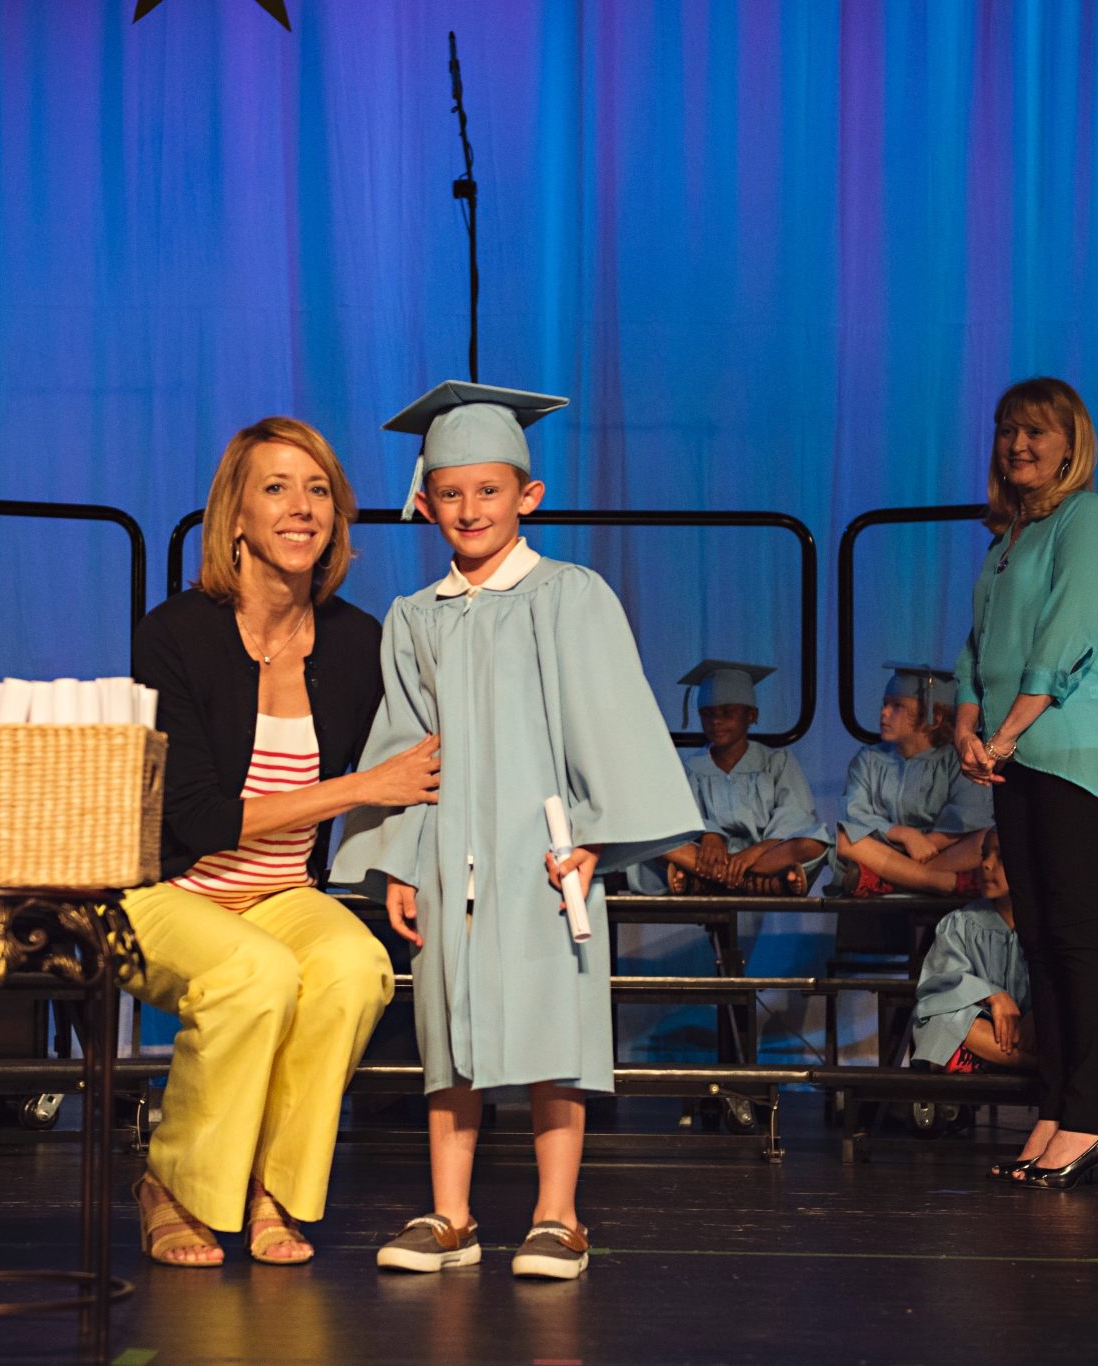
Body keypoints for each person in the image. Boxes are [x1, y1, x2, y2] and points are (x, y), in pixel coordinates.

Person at [334, 381, 702, 1279]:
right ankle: (450, 1216)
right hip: (447, 854)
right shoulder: (414, 617)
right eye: (450, 493)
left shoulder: (569, 596)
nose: (470, 509)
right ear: (426, 502)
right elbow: (405, 746)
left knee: (553, 1029)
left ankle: (557, 1217)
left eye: (489, 490)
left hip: (546, 853)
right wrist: (398, 861)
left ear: (527, 496)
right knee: (447, 1033)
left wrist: (598, 838)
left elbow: (610, 722)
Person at [124, 417, 442, 1267]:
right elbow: (198, 818)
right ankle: (172, 1185)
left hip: (280, 893)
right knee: (254, 974)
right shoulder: (174, 635)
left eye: (318, 491)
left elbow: (414, 764)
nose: (302, 507)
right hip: (166, 892)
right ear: (236, 515)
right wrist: (361, 786)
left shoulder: (356, 641)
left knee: (355, 967)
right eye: (276, 488)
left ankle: (273, 1189)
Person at [952, 376, 1098, 1191]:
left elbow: (1067, 634)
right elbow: (978, 643)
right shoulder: (1009, 537)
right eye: (1008, 430)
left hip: (1073, 745)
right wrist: (966, 721)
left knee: (1077, 932)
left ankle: (1093, 1116)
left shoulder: (1086, 517)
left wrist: (1005, 730)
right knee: (1037, 936)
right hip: (1014, 750)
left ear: (1071, 444)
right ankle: (1057, 1105)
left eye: (1035, 431)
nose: (1018, 444)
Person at [911, 827, 1098, 1084]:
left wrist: (1047, 1008)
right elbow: (941, 982)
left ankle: (990, 1059)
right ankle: (1054, 1066)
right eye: (984, 855)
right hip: (993, 1026)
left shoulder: (1065, 923)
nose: (986, 865)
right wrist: (992, 995)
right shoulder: (961, 923)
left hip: (1051, 1024)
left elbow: (1090, 982)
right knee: (943, 1020)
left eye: (1001, 857)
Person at [627, 659, 829, 896]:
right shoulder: (691, 769)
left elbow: (796, 816)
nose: (716, 721)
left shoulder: (776, 763)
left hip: (765, 855)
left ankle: (709, 881)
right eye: (707, 714)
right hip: (709, 856)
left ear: (751, 715)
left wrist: (752, 853)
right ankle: (754, 883)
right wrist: (709, 833)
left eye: (727, 712)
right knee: (648, 838)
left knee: (814, 843)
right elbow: (676, 818)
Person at [836, 663, 992, 897]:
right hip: (886, 848)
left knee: (988, 836)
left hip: (940, 851)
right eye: (885, 704)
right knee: (844, 839)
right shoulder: (868, 759)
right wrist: (905, 836)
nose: (884, 712)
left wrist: (927, 843)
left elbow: (970, 815)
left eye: (897, 706)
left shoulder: (958, 759)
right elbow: (855, 812)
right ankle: (941, 882)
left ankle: (891, 880)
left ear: (933, 719)